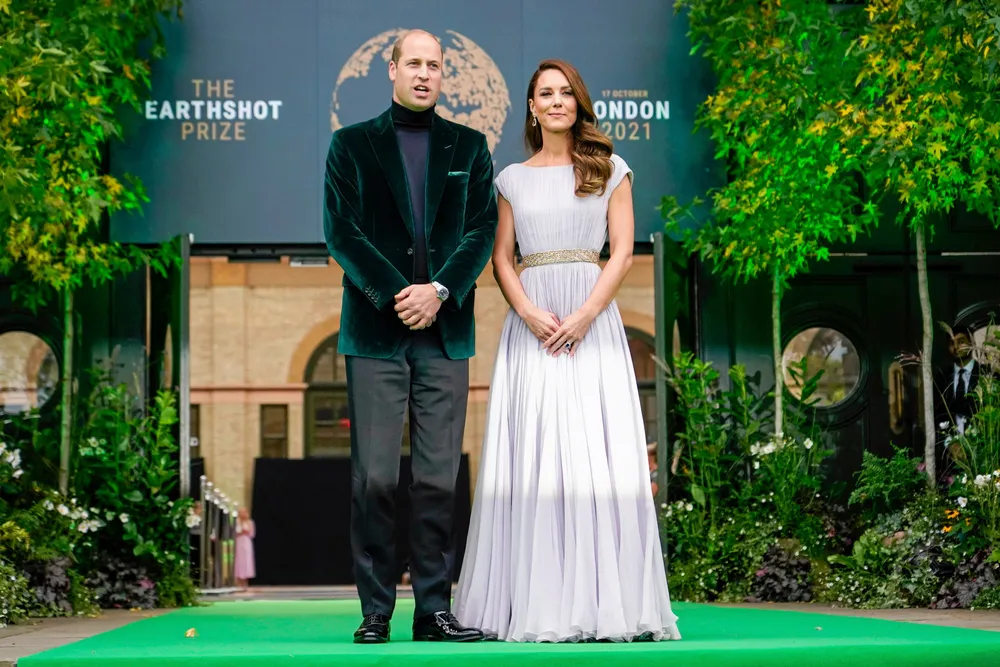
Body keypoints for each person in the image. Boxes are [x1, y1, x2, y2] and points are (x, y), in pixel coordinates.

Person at [453, 59, 681, 643]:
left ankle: (606, 606)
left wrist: (584, 316)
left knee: (591, 454)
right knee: (535, 453)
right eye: (545, 94)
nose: (556, 101)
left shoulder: (610, 169)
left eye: (565, 93)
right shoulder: (510, 179)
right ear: (531, 107)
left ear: (578, 102)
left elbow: (622, 252)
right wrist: (529, 312)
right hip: (530, 326)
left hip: (592, 323)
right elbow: (501, 257)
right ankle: (534, 604)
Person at [323, 28, 498, 644]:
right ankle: (375, 612)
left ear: (444, 74)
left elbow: (481, 231)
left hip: (445, 335)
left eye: (435, 65)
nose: (425, 73)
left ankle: (433, 611)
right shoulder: (350, 144)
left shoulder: (470, 146)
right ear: (391, 69)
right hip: (375, 333)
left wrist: (439, 291)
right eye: (414, 63)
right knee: (373, 478)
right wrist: (402, 294)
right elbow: (342, 232)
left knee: (437, 480)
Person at [234, 507, 256, 589]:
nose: (242, 514)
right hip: (238, 541)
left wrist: (246, 531)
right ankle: (238, 581)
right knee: (239, 560)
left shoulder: (250, 522)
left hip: (246, 542)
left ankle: (245, 581)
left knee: (246, 560)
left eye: (244, 512)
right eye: (241, 512)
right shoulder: (236, 522)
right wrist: (240, 532)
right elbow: (233, 532)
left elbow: (252, 534)